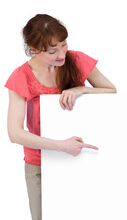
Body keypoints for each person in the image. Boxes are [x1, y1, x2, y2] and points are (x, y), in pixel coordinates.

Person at [5, 14, 117, 220]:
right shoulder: (21, 77)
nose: (61, 54)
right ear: (34, 49)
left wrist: (80, 90)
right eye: (52, 51)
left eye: (64, 45)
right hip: (39, 164)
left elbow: (111, 91)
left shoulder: (77, 60)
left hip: (83, 157)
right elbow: (15, 134)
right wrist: (61, 145)